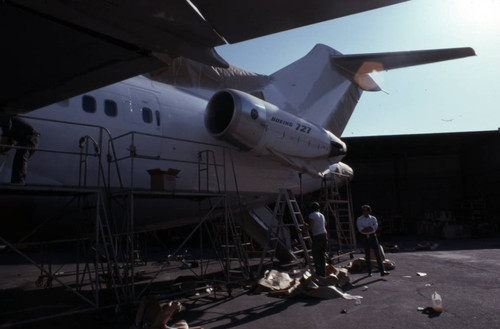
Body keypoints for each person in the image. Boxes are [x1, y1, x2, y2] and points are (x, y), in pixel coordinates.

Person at [0, 116, 40, 185]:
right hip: (29, 139)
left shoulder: (6, 117)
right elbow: (10, 140)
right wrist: (4, 149)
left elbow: (6, 134)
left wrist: (2, 148)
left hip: (30, 138)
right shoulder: (10, 122)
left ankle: (19, 182)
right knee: (18, 160)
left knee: (20, 159)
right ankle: (17, 181)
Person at [356, 205, 389, 277]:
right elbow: (361, 230)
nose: (365, 212)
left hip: (372, 237)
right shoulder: (359, 219)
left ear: (369, 211)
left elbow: (374, 228)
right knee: (367, 255)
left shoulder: (373, 218)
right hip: (365, 237)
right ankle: (369, 271)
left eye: (366, 210)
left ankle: (382, 270)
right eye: (363, 210)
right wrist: (369, 228)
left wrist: (367, 229)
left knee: (377, 253)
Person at [305, 202, 328, 277]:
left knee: (316, 256)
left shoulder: (312, 215)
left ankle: (318, 274)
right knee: (322, 256)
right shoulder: (322, 215)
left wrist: (302, 230)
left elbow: (311, 226)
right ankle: (323, 273)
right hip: (324, 235)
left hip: (317, 236)